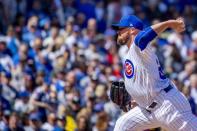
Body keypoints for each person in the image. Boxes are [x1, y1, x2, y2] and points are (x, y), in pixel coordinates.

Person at [111, 15, 197, 131]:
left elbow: (143, 37)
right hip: (148, 109)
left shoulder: (138, 46)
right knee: (122, 125)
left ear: (132, 30)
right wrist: (139, 100)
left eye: (121, 29)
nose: (118, 32)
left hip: (168, 106)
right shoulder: (132, 53)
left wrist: (169, 23)